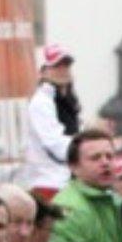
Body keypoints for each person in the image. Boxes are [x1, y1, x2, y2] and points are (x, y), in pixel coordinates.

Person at [23, 43, 82, 199]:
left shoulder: (67, 102)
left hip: (67, 183)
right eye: (56, 66)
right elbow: (54, 144)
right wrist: (87, 149)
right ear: (42, 72)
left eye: (66, 65)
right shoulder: (41, 102)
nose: (63, 70)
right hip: (49, 185)